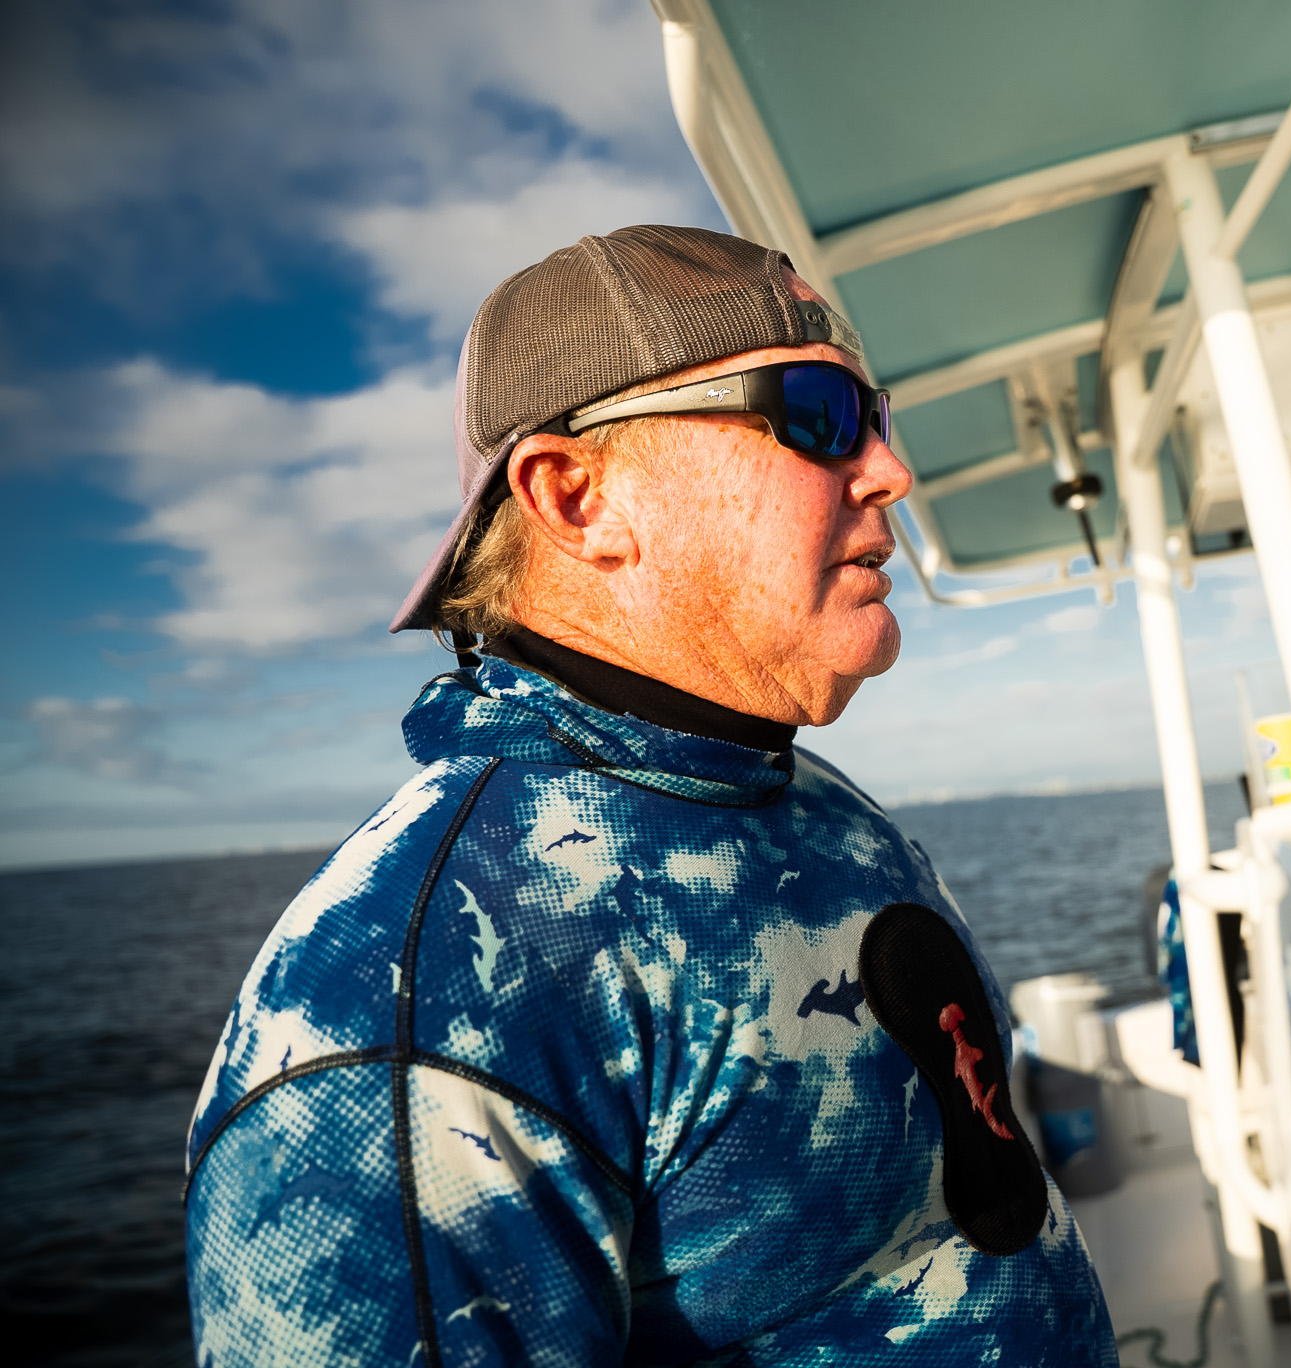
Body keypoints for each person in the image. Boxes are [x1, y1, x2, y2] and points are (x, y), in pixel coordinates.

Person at [182, 225, 1116, 1365]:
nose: (888, 471)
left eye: (875, 417)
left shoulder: (795, 796)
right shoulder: (416, 995)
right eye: (816, 416)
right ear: (577, 497)